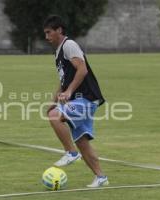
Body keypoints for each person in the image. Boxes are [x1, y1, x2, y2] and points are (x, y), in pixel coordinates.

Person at [43, 15, 109, 188]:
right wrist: (54, 100)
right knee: (81, 141)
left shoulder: (69, 45)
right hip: (81, 100)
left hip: (86, 98)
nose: (46, 37)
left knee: (54, 115)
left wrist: (70, 91)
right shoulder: (58, 52)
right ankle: (101, 177)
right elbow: (63, 80)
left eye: (49, 32)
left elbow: (82, 69)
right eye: (45, 33)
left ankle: (71, 153)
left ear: (59, 30)